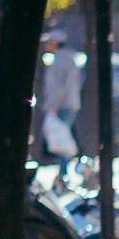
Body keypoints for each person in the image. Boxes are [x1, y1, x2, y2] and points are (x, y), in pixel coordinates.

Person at [39, 29, 82, 163]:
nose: (46, 45)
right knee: (62, 140)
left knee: (60, 142)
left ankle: (63, 174)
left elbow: (57, 88)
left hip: (61, 106)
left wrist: (52, 107)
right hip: (69, 104)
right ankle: (63, 172)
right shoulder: (69, 58)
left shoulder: (59, 60)